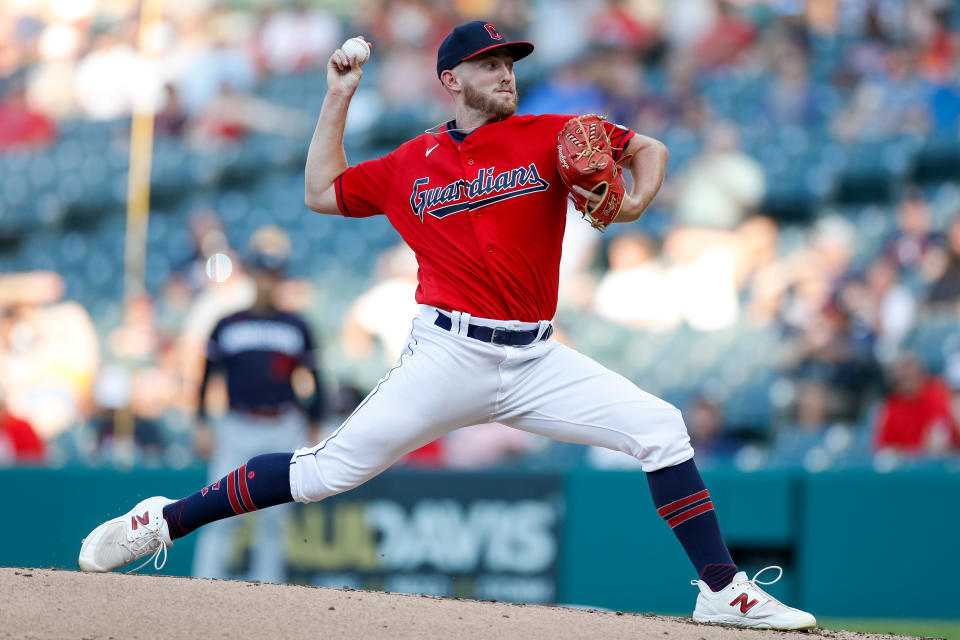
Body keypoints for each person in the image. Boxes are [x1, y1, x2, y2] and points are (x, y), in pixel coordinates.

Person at [78, 22, 814, 630]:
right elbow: (319, 192)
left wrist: (634, 202)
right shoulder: (411, 163)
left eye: (510, 61)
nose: (505, 72)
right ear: (450, 79)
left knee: (661, 428)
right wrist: (337, 95)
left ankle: (721, 588)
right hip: (447, 354)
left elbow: (645, 150)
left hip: (535, 358)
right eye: (487, 62)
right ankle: (162, 521)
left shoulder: (551, 134)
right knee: (321, 474)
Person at [189, 228, 326, 583]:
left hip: (283, 424)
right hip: (237, 425)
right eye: (262, 271)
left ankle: (270, 592)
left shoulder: (298, 325)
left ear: (281, 276)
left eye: (274, 272)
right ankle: (205, 585)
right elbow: (206, 377)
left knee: (275, 518)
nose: (267, 279)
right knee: (218, 511)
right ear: (251, 273)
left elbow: (315, 380)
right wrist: (201, 422)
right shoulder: (227, 323)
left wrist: (315, 423)